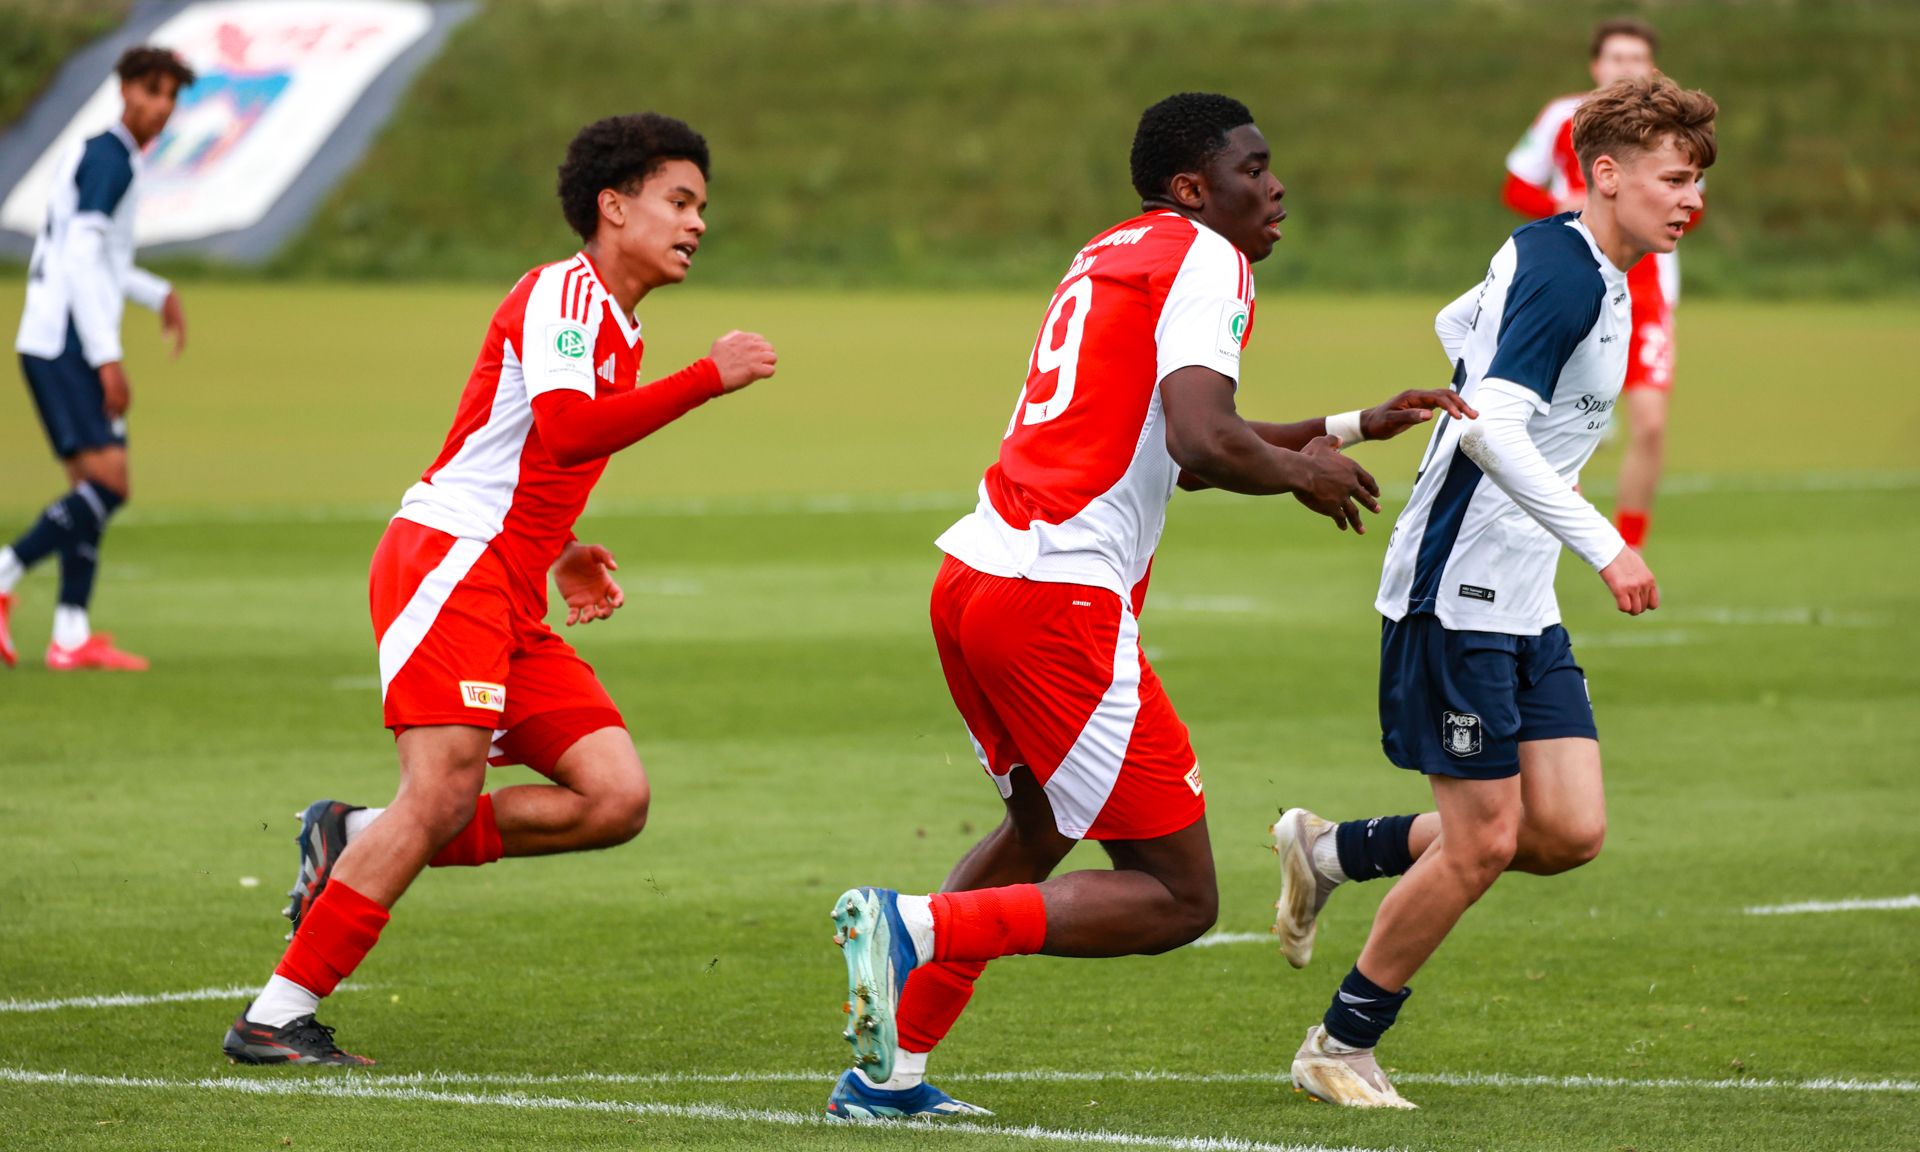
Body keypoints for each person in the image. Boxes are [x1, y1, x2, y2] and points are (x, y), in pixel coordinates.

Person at [821, 92, 1472, 1121]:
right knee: (1178, 897)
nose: (1276, 186)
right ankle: (915, 928)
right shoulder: (1213, 261)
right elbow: (1201, 440)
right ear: (1192, 187)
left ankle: (886, 1076)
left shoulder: (1115, 250)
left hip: (979, 577)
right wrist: (1302, 475)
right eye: (1253, 168)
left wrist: (1347, 426)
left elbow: (1181, 442)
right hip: (1055, 598)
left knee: (1037, 833)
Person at [220, 113, 778, 1065]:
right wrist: (707, 377)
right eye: (680, 201)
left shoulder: (618, 324)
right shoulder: (563, 293)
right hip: (451, 563)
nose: (697, 223)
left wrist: (560, 550)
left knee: (613, 797)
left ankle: (357, 834)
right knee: (441, 794)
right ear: (614, 205)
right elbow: (565, 430)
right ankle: (276, 1015)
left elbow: (531, 453)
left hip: (508, 583)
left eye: (701, 207)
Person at [1278, 74, 1716, 1109]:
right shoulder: (1566, 276)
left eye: (1699, 181)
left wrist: (1485, 365)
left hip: (1522, 596)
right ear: (1606, 175)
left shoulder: (1590, 264)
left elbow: (1458, 320)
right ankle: (1338, 1046)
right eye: (1673, 179)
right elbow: (1489, 431)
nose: (1692, 199)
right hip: (1457, 590)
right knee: (1482, 841)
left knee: (1564, 831)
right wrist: (1608, 545)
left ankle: (1328, 850)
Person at [0, 46, 195, 671]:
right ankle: (5, 575)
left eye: (171, 96)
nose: (161, 107)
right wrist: (107, 358)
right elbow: (82, 259)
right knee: (110, 487)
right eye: (152, 91)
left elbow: (97, 259)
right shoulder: (109, 160)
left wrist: (156, 292)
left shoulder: (104, 155)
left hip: (58, 338)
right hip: (67, 344)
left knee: (89, 490)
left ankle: (70, 633)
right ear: (125, 90)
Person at [1502, 16, 1697, 551]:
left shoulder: (1674, 134)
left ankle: (1629, 548)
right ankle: (1556, 534)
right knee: (1550, 427)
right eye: (1616, 58)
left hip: (1647, 289)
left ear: (1652, 67)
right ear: (1596, 65)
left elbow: (1692, 207)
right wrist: (1560, 204)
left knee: (1650, 426)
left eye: (1637, 59)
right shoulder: (1563, 117)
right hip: (1573, 277)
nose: (1626, 68)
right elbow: (1516, 187)